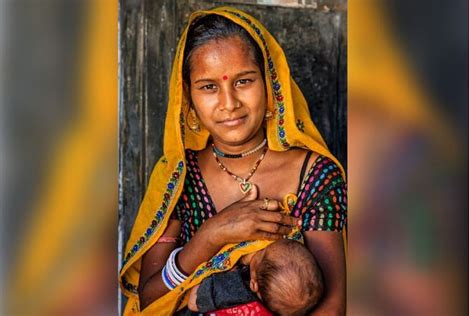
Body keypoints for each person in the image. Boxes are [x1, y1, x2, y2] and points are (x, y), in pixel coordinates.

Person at [119, 7, 347, 315]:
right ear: (188, 96)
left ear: (269, 83)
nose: (229, 103)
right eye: (209, 87)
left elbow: (332, 306)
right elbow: (150, 299)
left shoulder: (316, 177)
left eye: (243, 81)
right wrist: (212, 235)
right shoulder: (179, 179)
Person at [187, 238, 324, 316]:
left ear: (254, 285)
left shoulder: (232, 286)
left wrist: (227, 273)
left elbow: (193, 303)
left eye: (262, 253)